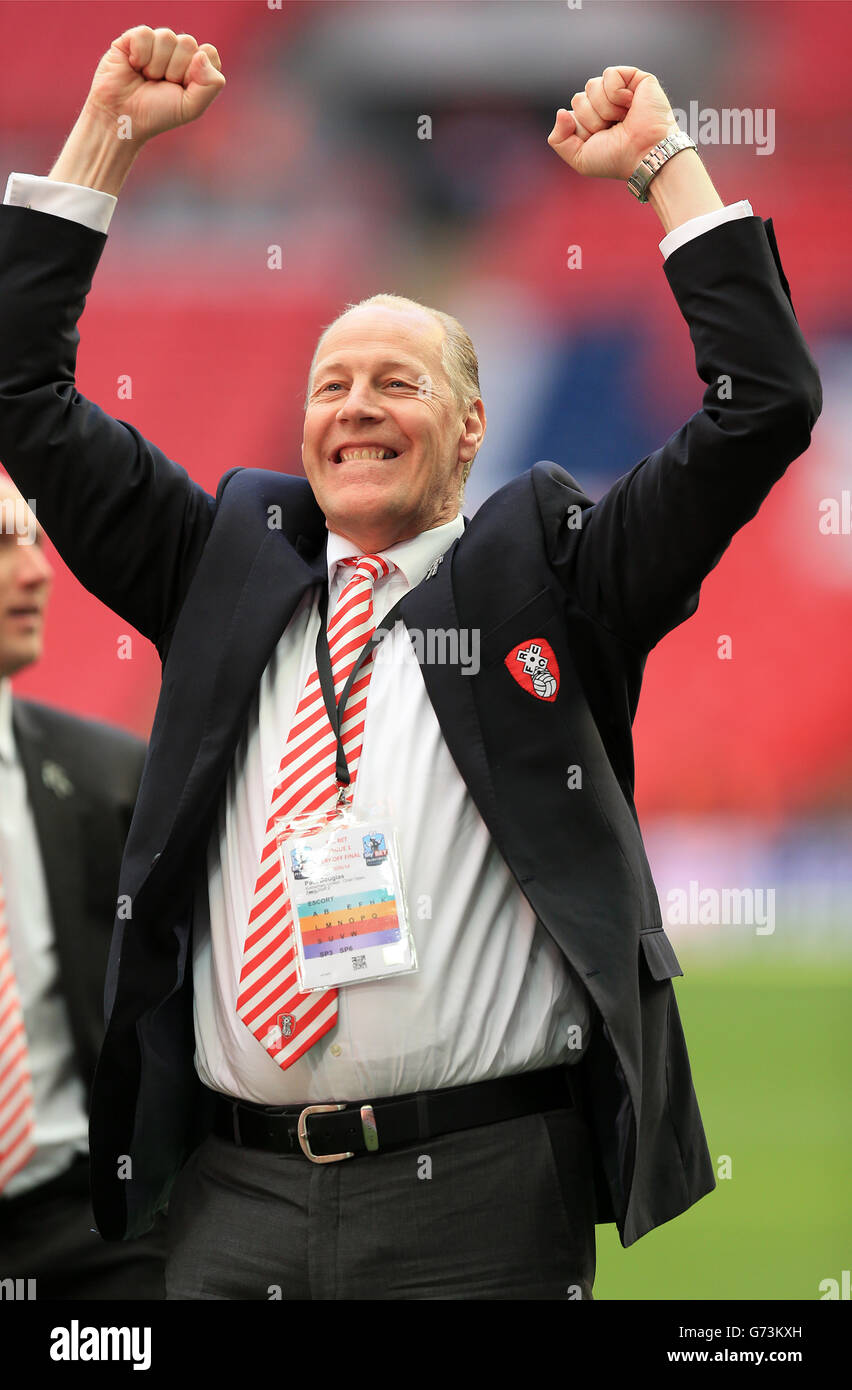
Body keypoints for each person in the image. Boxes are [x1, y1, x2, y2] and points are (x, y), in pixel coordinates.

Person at [0, 27, 821, 1300]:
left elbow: (761, 400)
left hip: (483, 1204)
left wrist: (663, 164)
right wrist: (103, 136)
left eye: (400, 381)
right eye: (332, 385)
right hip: (233, 1204)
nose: (358, 407)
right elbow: (19, 390)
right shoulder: (218, 566)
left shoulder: (558, 580)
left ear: (473, 424)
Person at [0, 476, 166, 1298]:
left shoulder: (112, 778)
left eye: (35, 540)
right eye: (3, 543)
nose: (36, 572)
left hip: (89, 1237)